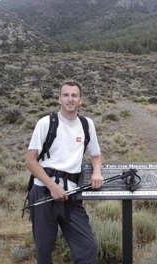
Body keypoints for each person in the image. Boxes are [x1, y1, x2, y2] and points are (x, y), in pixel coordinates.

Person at [25, 80, 103, 264]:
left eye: (74, 95)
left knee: (87, 247)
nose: (70, 99)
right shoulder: (46, 123)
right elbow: (30, 160)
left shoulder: (86, 124)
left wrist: (97, 172)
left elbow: (96, 155)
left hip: (71, 196)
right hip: (44, 193)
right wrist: (52, 186)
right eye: (66, 95)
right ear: (59, 99)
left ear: (81, 100)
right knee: (44, 250)